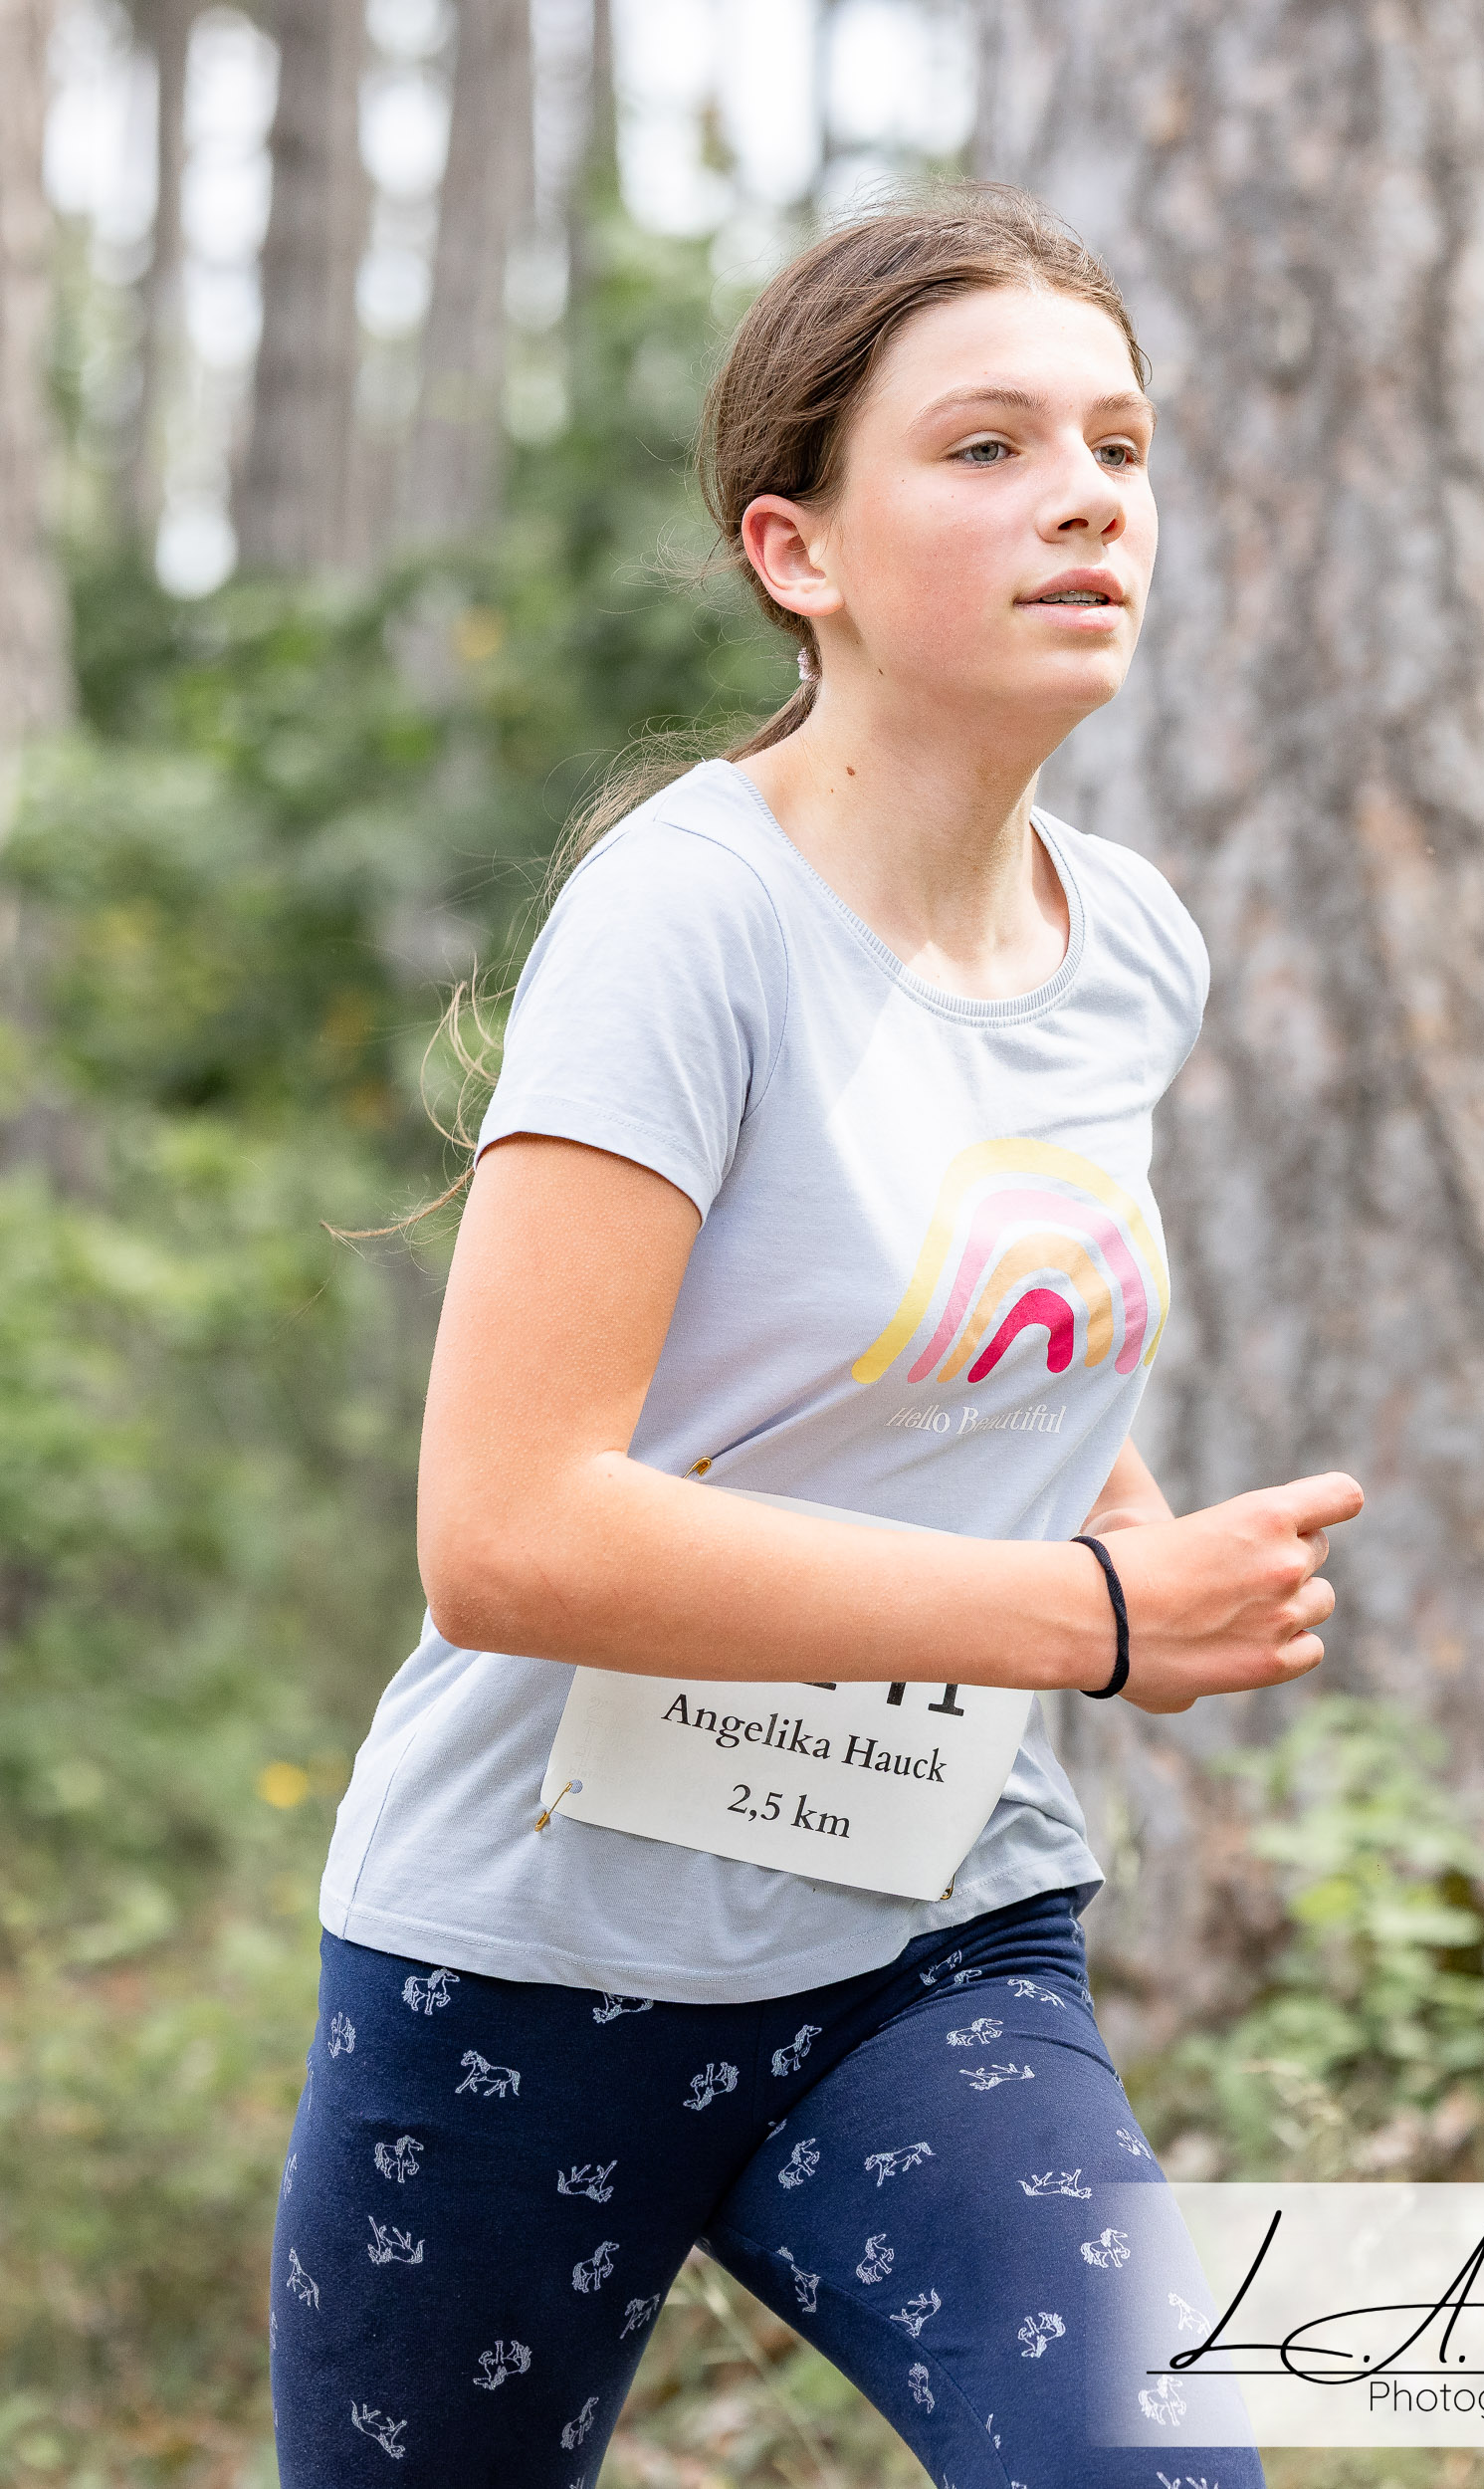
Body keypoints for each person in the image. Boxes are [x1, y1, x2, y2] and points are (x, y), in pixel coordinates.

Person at [271, 185, 1363, 2486]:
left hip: (926, 1937)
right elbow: (505, 1533)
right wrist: (1089, 1618)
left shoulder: (1131, 944)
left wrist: (1133, 1533)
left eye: (1120, 444)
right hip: (524, 1966)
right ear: (800, 551)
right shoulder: (688, 920)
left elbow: (993, 1338)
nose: (1087, 494)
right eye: (985, 447)